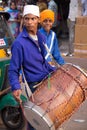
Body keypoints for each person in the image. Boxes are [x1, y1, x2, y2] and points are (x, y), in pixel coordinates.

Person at [8, 4, 57, 130]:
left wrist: (55, 70)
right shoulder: (19, 43)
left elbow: (42, 62)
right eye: (27, 19)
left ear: (38, 20)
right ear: (23, 20)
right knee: (35, 121)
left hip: (46, 82)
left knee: (48, 119)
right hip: (33, 87)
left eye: (33, 19)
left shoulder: (41, 37)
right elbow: (13, 69)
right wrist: (15, 87)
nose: (29, 22)